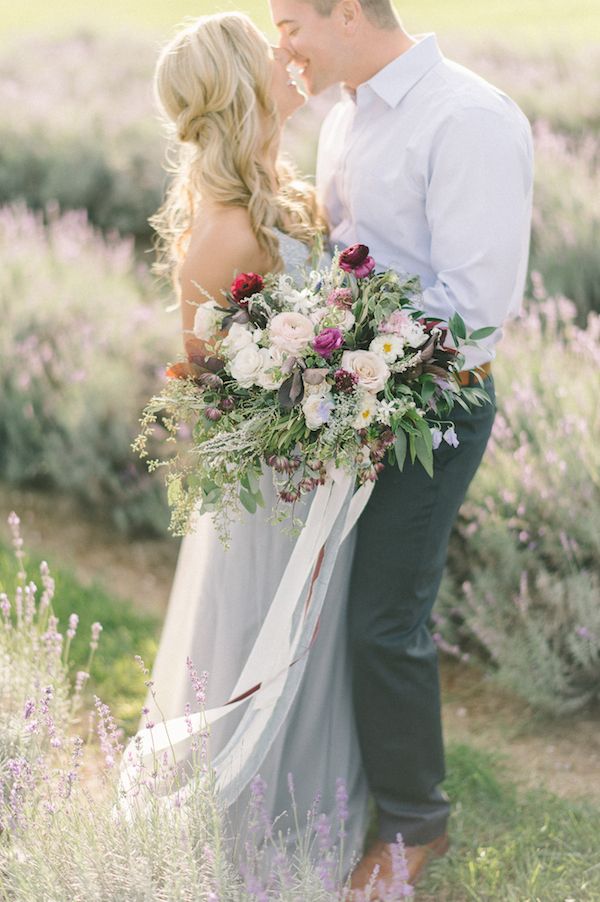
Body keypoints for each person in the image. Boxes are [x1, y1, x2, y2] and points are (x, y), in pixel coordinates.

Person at [270, 0, 534, 892]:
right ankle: (348, 781)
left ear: (346, 11)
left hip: (436, 407)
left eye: (290, 23)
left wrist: (365, 379)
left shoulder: (469, 118)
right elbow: (351, 259)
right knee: (341, 601)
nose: (283, 45)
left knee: (387, 617)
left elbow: (473, 307)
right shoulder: (344, 116)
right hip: (353, 397)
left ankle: (415, 822)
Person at [143, 11, 370, 880]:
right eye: (269, 50)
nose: (289, 56)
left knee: (314, 645)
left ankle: (317, 806)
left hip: (317, 467)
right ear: (242, 85)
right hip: (276, 487)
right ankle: (254, 845)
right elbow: (213, 393)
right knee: (268, 647)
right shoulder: (227, 230)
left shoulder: (275, 192)